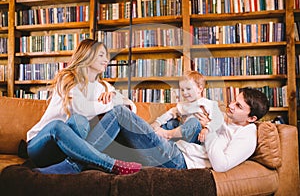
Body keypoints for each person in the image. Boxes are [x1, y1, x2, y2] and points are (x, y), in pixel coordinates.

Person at [26, 39, 142, 175]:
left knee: (82, 122)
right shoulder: (67, 78)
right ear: (87, 55)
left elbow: (129, 108)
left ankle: (71, 165)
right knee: (62, 124)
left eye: (106, 56)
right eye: (101, 55)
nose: (106, 60)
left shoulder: (104, 86)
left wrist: (117, 99)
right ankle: (110, 164)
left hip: (69, 150)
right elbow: (80, 108)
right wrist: (110, 103)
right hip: (42, 145)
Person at [86, 87, 270, 172]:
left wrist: (210, 130)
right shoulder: (228, 121)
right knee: (121, 116)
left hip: (179, 160)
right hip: (178, 149)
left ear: (252, 118)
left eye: (238, 106)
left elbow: (221, 165)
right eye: (233, 100)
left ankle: (81, 157)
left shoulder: (247, 135)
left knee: (120, 113)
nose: (230, 105)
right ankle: (83, 154)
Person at [150, 71, 223, 143]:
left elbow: (218, 119)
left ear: (200, 89)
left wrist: (207, 129)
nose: (184, 93)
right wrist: (157, 122)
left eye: (188, 89)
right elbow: (171, 113)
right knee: (171, 122)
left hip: (195, 135)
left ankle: (167, 134)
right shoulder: (183, 105)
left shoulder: (208, 103)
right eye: (182, 90)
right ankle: (157, 137)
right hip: (180, 134)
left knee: (194, 122)